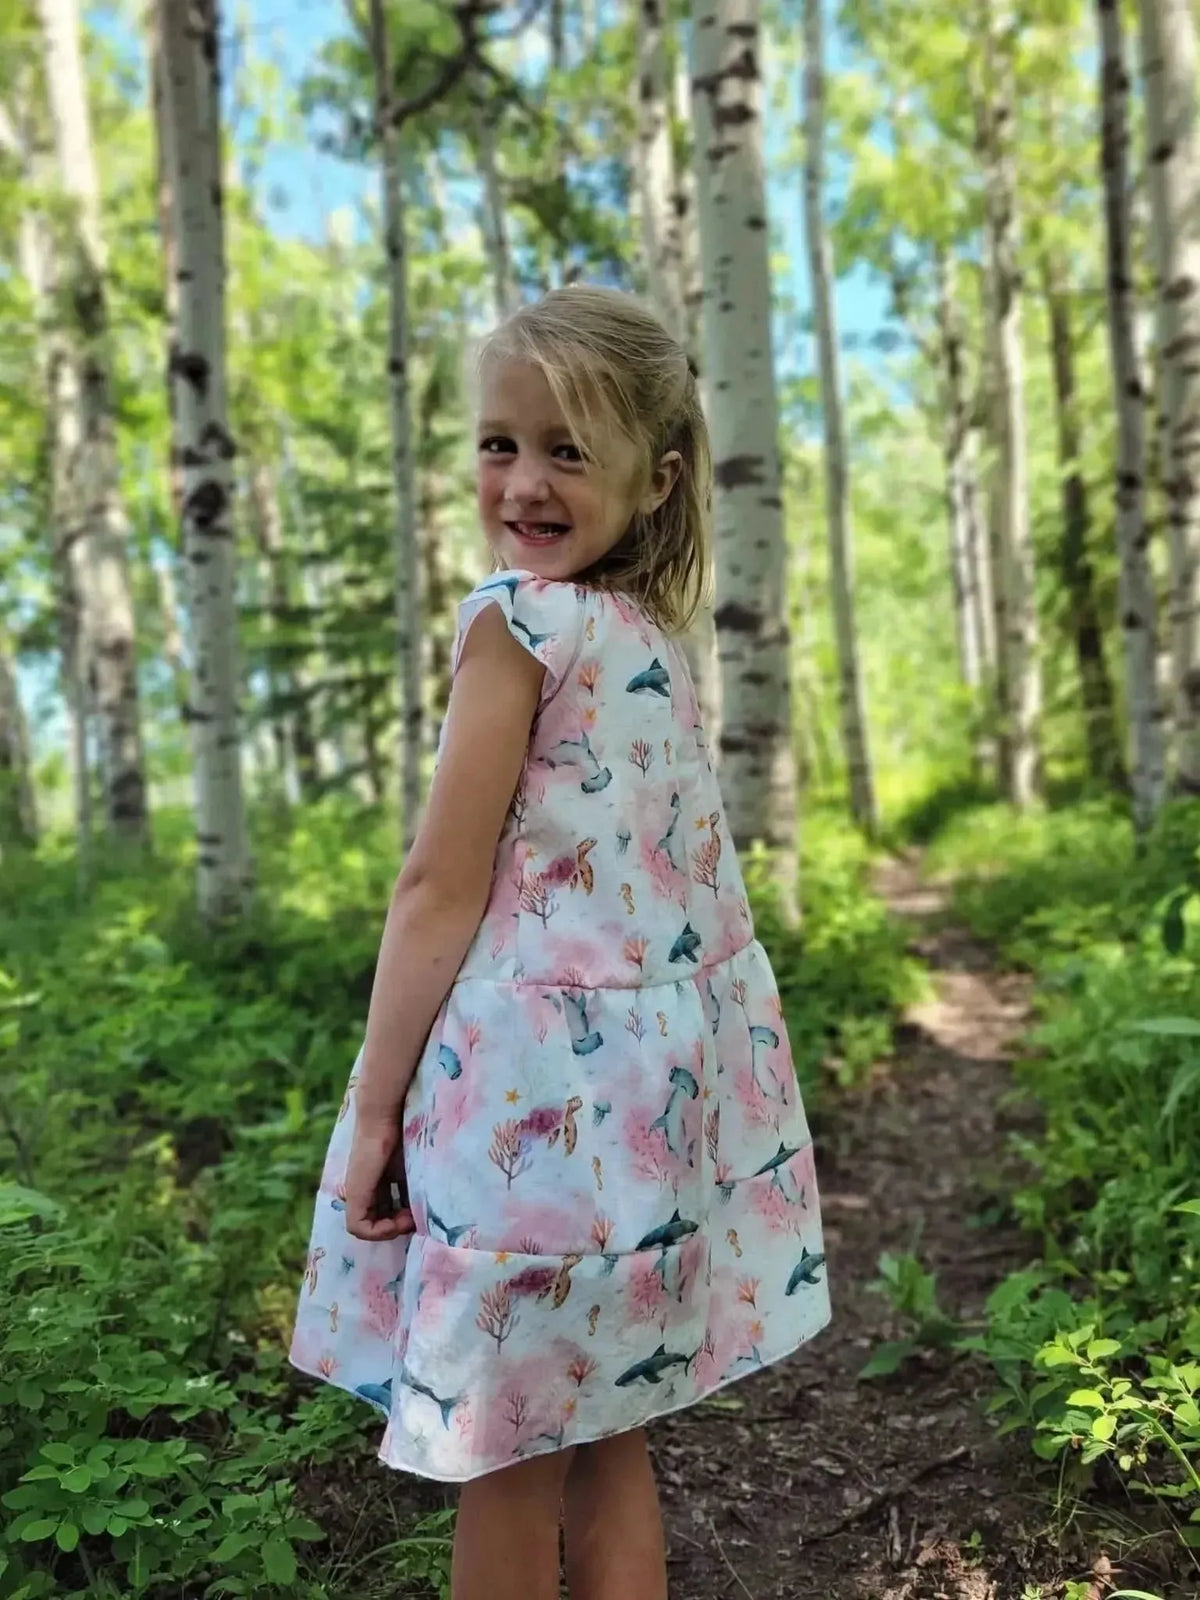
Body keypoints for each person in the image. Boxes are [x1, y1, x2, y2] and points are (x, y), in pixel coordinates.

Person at [289, 285, 831, 1600]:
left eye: (568, 451)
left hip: (530, 1118)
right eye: (498, 442)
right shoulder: (651, 644)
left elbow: (436, 886)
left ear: (657, 478)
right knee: (612, 1436)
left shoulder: (517, 625)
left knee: (505, 1463)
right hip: (648, 1124)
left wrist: (373, 1117)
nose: (523, 481)